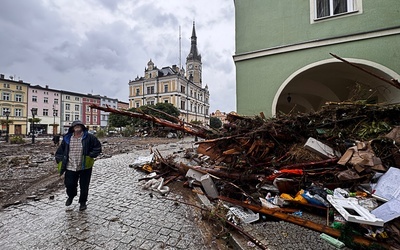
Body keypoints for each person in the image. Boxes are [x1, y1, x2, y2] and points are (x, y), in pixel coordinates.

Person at [55, 120, 102, 211]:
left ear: (82, 127)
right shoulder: (67, 138)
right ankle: (71, 195)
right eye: (75, 126)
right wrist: (60, 160)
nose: (77, 127)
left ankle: (82, 202)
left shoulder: (89, 137)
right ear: (72, 128)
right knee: (69, 184)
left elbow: (98, 147)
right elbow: (60, 151)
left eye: (79, 125)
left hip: (85, 165)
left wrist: (90, 155)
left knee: (84, 185)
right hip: (70, 165)